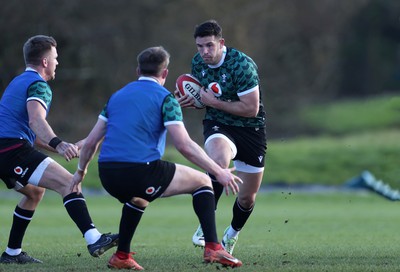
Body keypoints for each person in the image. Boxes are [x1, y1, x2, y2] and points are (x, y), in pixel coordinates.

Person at [72, 46, 243, 270]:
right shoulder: (166, 99)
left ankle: (122, 256)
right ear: (164, 74)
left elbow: (91, 142)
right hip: (140, 172)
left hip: (107, 175)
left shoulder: (116, 97)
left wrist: (80, 172)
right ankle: (213, 246)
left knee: (139, 199)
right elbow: (184, 145)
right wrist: (218, 171)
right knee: (203, 182)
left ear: (137, 71)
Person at [0, 35, 118, 264]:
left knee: (34, 192)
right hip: (11, 150)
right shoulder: (38, 85)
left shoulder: (18, 81)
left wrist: (61, 148)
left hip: (9, 148)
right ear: (45, 62)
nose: (57, 63)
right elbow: (36, 121)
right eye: (55, 58)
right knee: (68, 182)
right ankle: (94, 238)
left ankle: (12, 253)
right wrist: (59, 144)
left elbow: (29, 134)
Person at [176, 20, 267, 254]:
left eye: (209, 45)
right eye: (199, 46)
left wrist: (213, 102)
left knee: (247, 199)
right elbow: (203, 98)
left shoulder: (241, 65)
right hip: (219, 125)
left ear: (221, 43)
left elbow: (251, 109)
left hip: (251, 130)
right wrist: (191, 101)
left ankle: (231, 235)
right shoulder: (197, 63)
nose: (204, 52)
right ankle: (207, 229)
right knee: (217, 163)